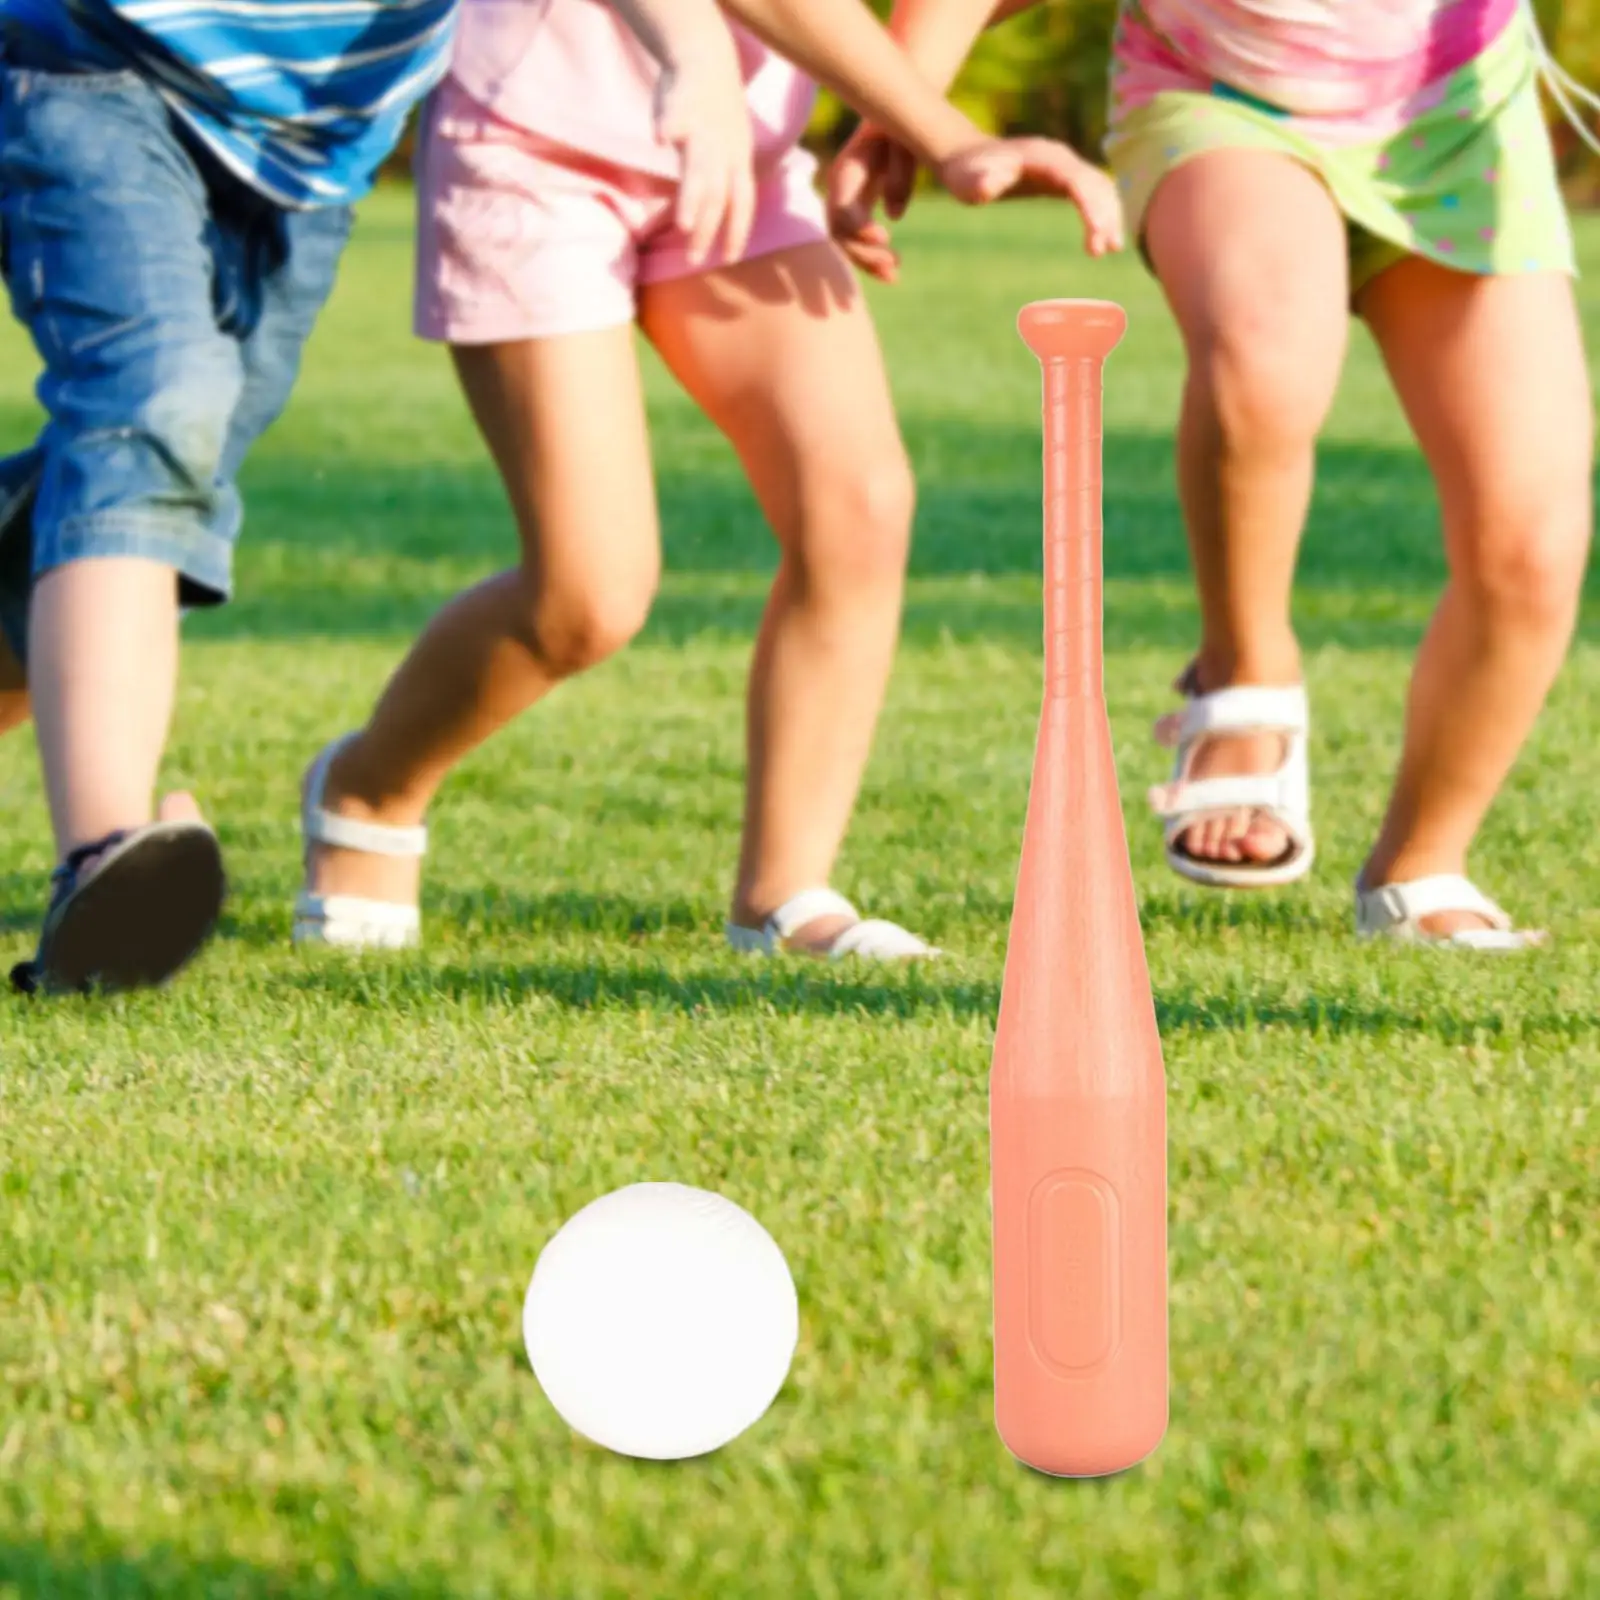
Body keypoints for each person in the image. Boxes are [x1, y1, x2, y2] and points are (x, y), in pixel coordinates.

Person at [0, 0, 1109, 994]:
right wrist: (911, 118)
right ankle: (311, 804)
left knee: (859, 501)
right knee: (585, 593)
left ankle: (784, 895)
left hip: (709, 147)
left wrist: (906, 115)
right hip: (527, 142)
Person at [830, 0, 1593, 950]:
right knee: (1264, 363)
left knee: (1532, 541)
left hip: (1455, 115)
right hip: (1221, 92)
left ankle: (1421, 866)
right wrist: (902, 104)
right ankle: (1244, 673)